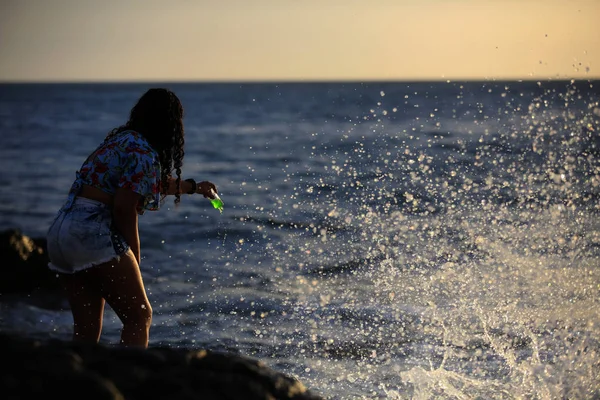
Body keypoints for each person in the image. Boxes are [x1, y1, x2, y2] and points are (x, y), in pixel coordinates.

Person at [46, 88, 218, 348]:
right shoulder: (143, 153)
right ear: (169, 124)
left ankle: (77, 383)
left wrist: (195, 187)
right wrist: (133, 258)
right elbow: (124, 208)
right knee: (139, 316)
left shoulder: (121, 142)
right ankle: (131, 383)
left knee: (87, 328)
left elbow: (147, 183)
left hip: (63, 231)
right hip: (91, 233)